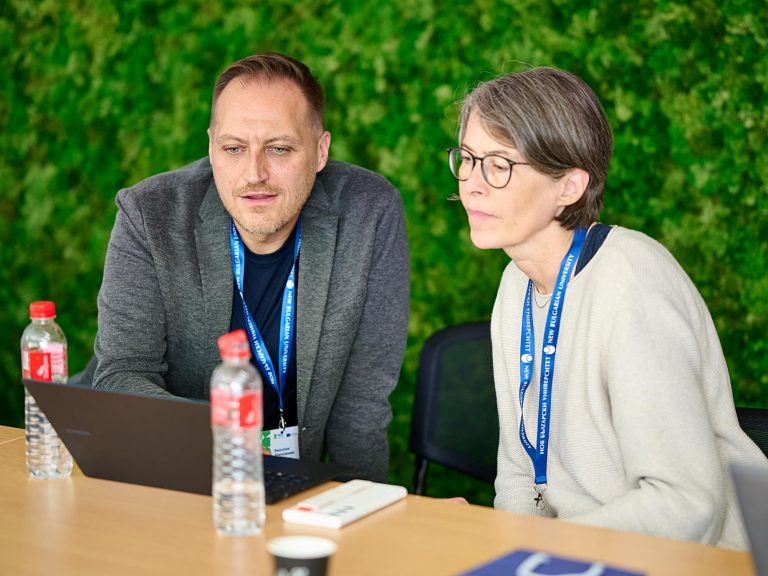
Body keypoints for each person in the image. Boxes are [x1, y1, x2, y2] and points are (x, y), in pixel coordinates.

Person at [448, 66, 768, 548]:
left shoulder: (633, 284)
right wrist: (510, 552)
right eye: (468, 158)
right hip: (588, 555)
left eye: (500, 164)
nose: (472, 183)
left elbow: (687, 506)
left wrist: (548, 549)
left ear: (569, 187)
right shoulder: (516, 283)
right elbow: (520, 471)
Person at [90, 52, 409, 482]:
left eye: (279, 149)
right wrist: (230, 448)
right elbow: (122, 375)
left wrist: (365, 511)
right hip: (175, 479)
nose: (254, 173)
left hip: (297, 492)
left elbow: (362, 409)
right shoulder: (149, 214)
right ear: (211, 147)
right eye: (234, 148)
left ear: (320, 151)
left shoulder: (370, 212)